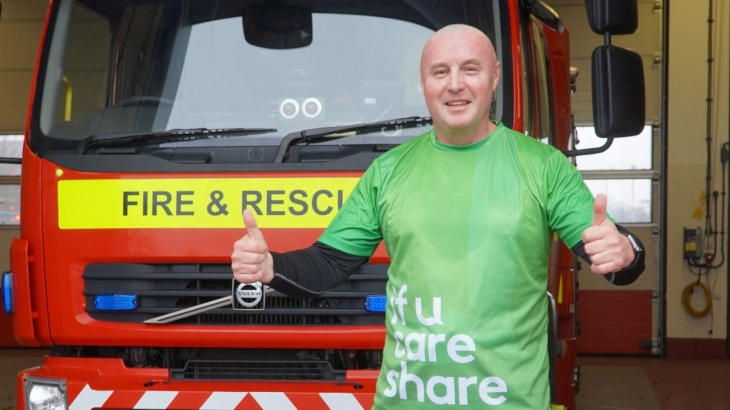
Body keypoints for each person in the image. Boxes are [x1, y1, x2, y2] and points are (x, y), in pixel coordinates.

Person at [231, 24, 644, 410]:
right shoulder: (388, 172)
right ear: (423, 84)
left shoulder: (543, 167)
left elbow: (607, 252)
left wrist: (625, 250)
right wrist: (271, 266)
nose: (455, 84)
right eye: (440, 71)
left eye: (470, 69)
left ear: (495, 77)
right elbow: (327, 265)